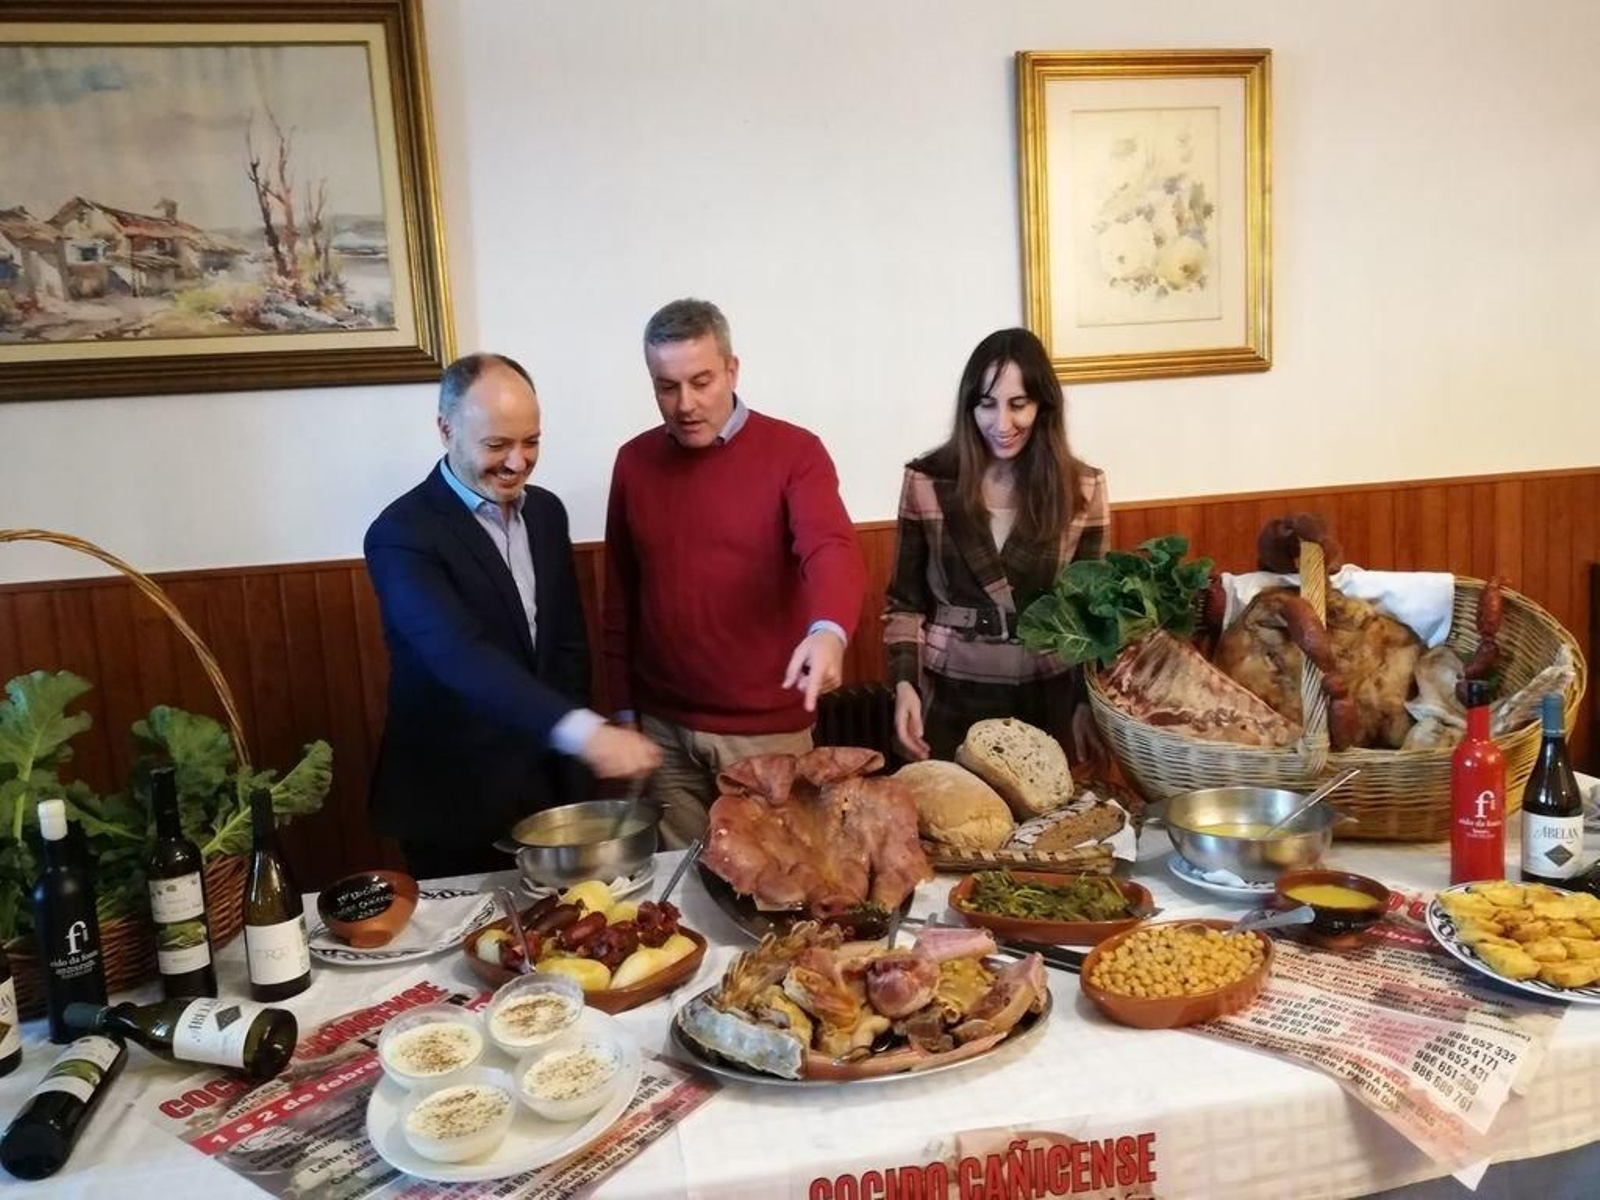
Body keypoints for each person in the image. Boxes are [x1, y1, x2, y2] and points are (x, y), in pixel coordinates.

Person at [365, 352, 660, 878]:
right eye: (497, 444)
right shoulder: (401, 534)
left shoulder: (545, 512)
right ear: (445, 429)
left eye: (532, 442)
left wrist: (575, 774)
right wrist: (582, 732)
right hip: (454, 801)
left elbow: (567, 645)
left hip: (550, 790)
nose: (518, 462)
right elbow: (456, 654)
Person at [603, 299, 868, 846]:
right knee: (676, 893)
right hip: (662, 729)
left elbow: (831, 546)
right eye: (666, 387)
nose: (685, 404)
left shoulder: (796, 452)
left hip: (765, 735)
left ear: (732, 369)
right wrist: (622, 709)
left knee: (777, 889)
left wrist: (829, 629)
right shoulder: (633, 461)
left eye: (701, 381)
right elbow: (621, 596)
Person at [884, 327, 1110, 763]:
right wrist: (904, 685)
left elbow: (1092, 618)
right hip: (950, 694)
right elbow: (904, 602)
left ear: (1043, 405)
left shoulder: (1083, 487)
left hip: (1049, 697)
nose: (1001, 424)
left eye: (1018, 404)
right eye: (986, 405)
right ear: (970, 405)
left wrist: (1087, 703)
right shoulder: (927, 481)